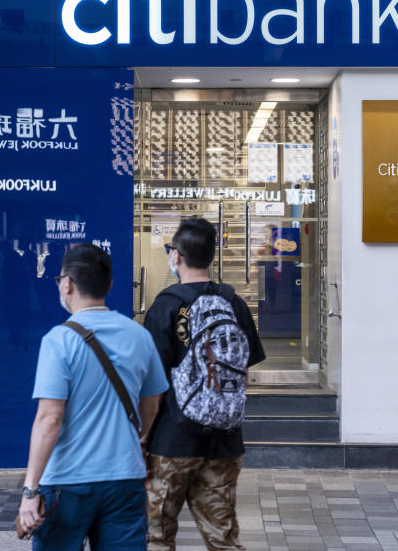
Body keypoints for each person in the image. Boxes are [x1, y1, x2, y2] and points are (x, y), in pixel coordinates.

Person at [18, 244, 168, 550]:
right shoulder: (139, 335)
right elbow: (152, 405)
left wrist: (30, 491)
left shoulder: (58, 340)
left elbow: (51, 418)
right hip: (126, 478)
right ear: (109, 285)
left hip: (67, 482)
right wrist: (137, 439)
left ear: (67, 283)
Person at [143, 218, 266, 551]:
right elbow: (243, 368)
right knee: (223, 539)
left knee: (156, 536)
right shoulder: (235, 304)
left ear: (177, 256)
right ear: (211, 257)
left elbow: (153, 383)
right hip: (225, 442)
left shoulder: (166, 305)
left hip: (172, 442)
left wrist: (142, 439)